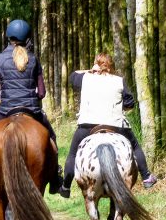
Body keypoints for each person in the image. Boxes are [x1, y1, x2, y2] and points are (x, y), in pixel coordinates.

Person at [0, 20, 62, 193]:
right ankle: (55, 175)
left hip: (5, 110)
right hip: (32, 110)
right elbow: (42, 92)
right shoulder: (33, 59)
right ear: (28, 38)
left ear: (8, 37)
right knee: (51, 137)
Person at [57, 53, 157, 198]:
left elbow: (72, 76)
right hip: (115, 125)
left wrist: (90, 70)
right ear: (111, 66)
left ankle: (66, 186)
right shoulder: (119, 80)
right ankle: (146, 177)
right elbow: (130, 104)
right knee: (135, 147)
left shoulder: (85, 78)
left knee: (73, 153)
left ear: (96, 64)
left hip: (87, 125)